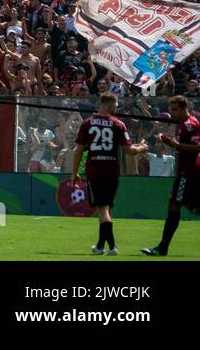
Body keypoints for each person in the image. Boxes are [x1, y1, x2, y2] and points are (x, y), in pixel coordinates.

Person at [71, 93, 148, 255]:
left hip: (95, 171)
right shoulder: (118, 124)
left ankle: (112, 247)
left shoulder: (88, 123)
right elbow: (129, 150)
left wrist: (75, 172)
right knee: (107, 208)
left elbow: (78, 150)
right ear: (110, 105)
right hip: (112, 171)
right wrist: (142, 147)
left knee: (103, 209)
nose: (116, 108)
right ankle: (100, 246)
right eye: (116, 105)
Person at [142, 95, 200, 256]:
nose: (172, 113)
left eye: (174, 109)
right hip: (187, 172)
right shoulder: (186, 124)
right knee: (185, 206)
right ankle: (163, 247)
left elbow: (197, 148)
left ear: (183, 108)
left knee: (174, 204)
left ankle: (163, 247)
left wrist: (172, 143)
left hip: (189, 173)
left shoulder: (189, 125)